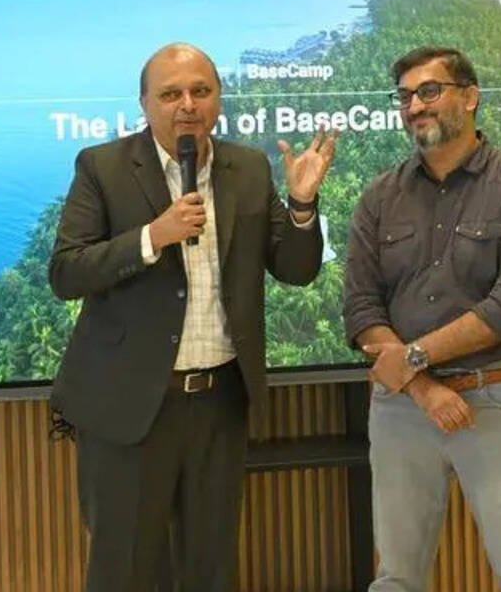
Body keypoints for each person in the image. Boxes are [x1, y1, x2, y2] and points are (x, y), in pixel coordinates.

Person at [48, 42, 336, 591]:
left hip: (219, 403)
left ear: (218, 100)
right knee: (125, 570)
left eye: (200, 91)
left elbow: (296, 270)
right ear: (145, 103)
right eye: (171, 94)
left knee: (210, 568)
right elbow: (66, 272)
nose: (187, 104)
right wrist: (153, 237)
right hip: (131, 406)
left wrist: (302, 204)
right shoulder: (103, 167)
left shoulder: (247, 168)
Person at [343, 46, 501, 591]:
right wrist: (421, 386)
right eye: (405, 96)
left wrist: (414, 357)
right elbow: (361, 307)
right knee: (395, 578)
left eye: (430, 91)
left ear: (470, 97)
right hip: (401, 408)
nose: (416, 106)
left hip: (498, 396)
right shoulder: (379, 196)